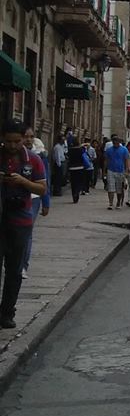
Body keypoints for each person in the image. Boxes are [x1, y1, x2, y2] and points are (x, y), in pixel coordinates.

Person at [1, 119, 48, 329]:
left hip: (20, 219)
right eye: (8, 142)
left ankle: (7, 312)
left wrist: (22, 182)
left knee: (14, 268)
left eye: (17, 141)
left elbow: (41, 189)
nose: (12, 146)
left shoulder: (34, 160)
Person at [21, 127, 50, 281]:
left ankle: (23, 266)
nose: (29, 139)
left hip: (33, 198)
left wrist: (46, 202)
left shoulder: (39, 156)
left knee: (26, 232)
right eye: (26, 136)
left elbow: (46, 181)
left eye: (31, 137)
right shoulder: (11, 155)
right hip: (13, 198)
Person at [103, 135, 130, 210]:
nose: (115, 142)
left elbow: (127, 160)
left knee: (119, 188)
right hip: (110, 170)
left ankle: (118, 202)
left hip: (121, 171)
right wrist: (104, 171)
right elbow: (106, 160)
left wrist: (127, 170)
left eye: (117, 141)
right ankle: (110, 203)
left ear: (119, 142)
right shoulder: (109, 150)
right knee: (110, 188)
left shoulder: (124, 150)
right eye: (114, 141)